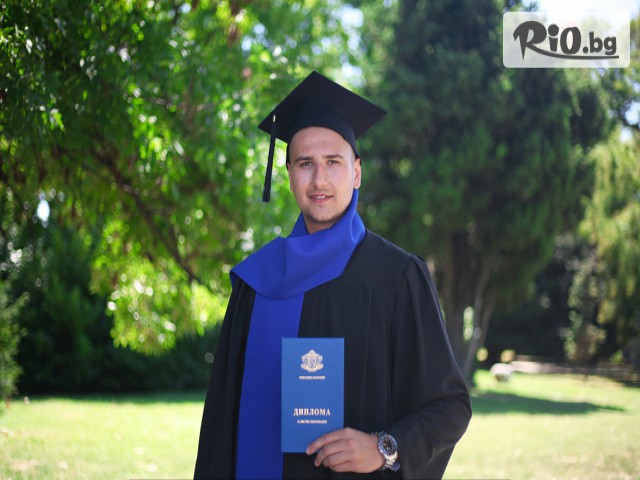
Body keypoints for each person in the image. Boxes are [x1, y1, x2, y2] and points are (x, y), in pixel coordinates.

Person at [194, 71, 471, 480]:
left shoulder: (397, 277)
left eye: (333, 163)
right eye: (305, 163)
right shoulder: (258, 282)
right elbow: (221, 425)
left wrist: (383, 447)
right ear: (289, 173)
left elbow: (450, 407)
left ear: (356, 172)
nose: (319, 180)